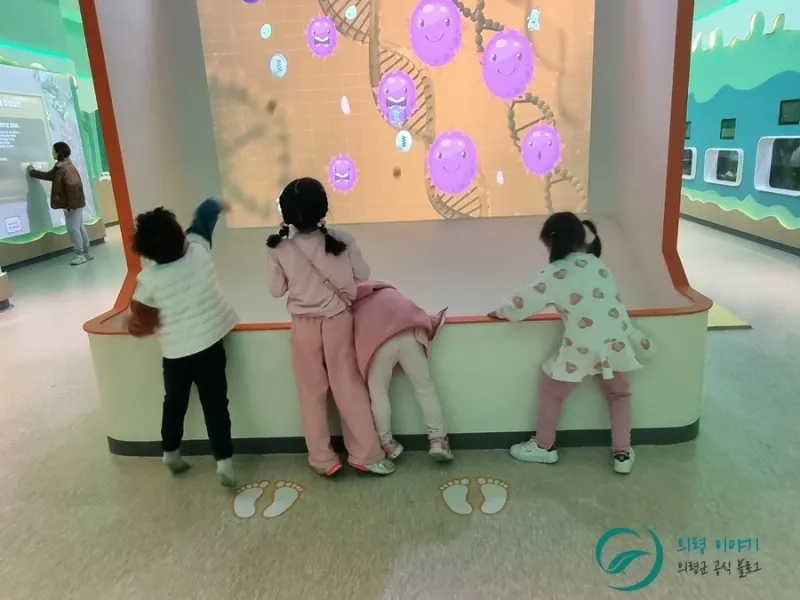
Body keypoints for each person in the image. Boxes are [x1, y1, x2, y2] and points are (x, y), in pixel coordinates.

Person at [489, 212, 656, 474]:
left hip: (581, 346)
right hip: (616, 341)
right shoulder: (599, 265)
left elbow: (521, 305)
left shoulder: (556, 273)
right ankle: (623, 453)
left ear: (553, 242)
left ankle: (544, 446)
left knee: (552, 390)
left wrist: (500, 311)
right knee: (619, 395)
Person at [267, 177, 395, 476]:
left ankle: (322, 459)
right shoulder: (343, 239)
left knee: (311, 393)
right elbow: (363, 274)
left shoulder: (278, 247)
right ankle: (366, 454)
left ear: (286, 214)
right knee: (348, 386)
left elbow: (275, 290)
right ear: (324, 209)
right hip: (338, 321)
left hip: (303, 326)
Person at [126, 198, 239, 487]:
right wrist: (215, 204)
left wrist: (134, 324)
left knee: (174, 403)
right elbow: (202, 220)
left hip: (176, 354)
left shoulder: (148, 281)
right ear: (182, 238)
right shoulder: (199, 251)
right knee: (215, 404)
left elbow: (140, 318)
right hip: (209, 345)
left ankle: (170, 451)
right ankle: (224, 462)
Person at [352, 281, 453, 462]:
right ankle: (438, 440)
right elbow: (417, 314)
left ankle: (387, 443)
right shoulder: (389, 293)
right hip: (409, 335)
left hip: (377, 346)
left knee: (378, 394)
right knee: (424, 388)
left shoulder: (354, 305)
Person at [28, 142, 91, 265]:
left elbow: (73, 188)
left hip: (73, 205)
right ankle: (85, 252)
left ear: (58, 152)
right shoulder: (62, 167)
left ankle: (80, 254)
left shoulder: (65, 168)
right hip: (75, 204)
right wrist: (32, 172)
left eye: (53, 151)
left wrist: (71, 206)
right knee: (78, 227)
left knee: (73, 229)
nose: (52, 153)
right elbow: (49, 175)